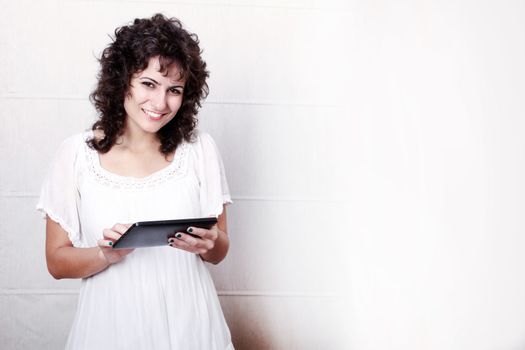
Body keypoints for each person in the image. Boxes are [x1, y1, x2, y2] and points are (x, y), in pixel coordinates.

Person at [36, 14, 234, 349]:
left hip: (192, 326)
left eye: (174, 90)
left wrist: (210, 243)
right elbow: (56, 262)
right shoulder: (75, 155)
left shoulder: (200, 150)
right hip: (110, 327)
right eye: (148, 84)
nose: (160, 103)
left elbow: (219, 250)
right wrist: (104, 255)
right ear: (122, 80)